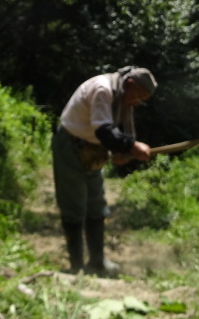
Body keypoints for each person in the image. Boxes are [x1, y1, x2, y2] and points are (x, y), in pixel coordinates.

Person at [51, 66, 157, 277]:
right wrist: (131, 146)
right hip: (70, 146)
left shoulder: (121, 97)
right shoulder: (103, 89)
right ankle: (76, 266)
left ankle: (98, 262)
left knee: (96, 205)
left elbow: (110, 132)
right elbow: (103, 129)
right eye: (138, 96)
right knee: (74, 205)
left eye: (142, 99)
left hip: (93, 149)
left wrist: (120, 150)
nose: (136, 102)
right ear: (129, 84)